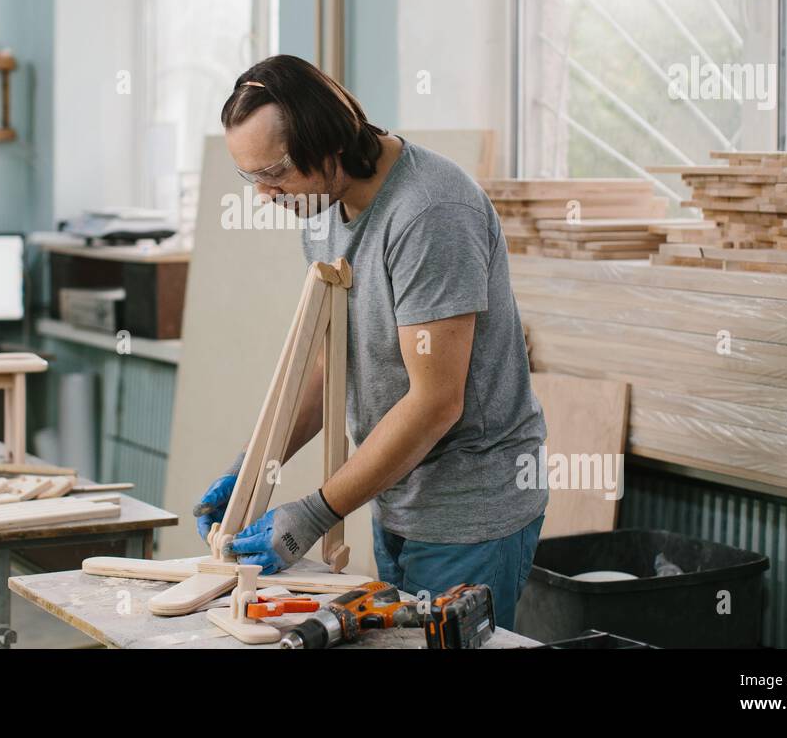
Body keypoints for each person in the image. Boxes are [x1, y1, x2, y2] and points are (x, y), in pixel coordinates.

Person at [193, 54, 548, 630]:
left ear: (329, 146)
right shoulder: (321, 207)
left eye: (274, 173)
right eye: (251, 177)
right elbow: (332, 364)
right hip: (397, 498)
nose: (265, 195)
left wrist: (314, 512)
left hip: (471, 510)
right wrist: (255, 467)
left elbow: (436, 402)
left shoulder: (430, 212)